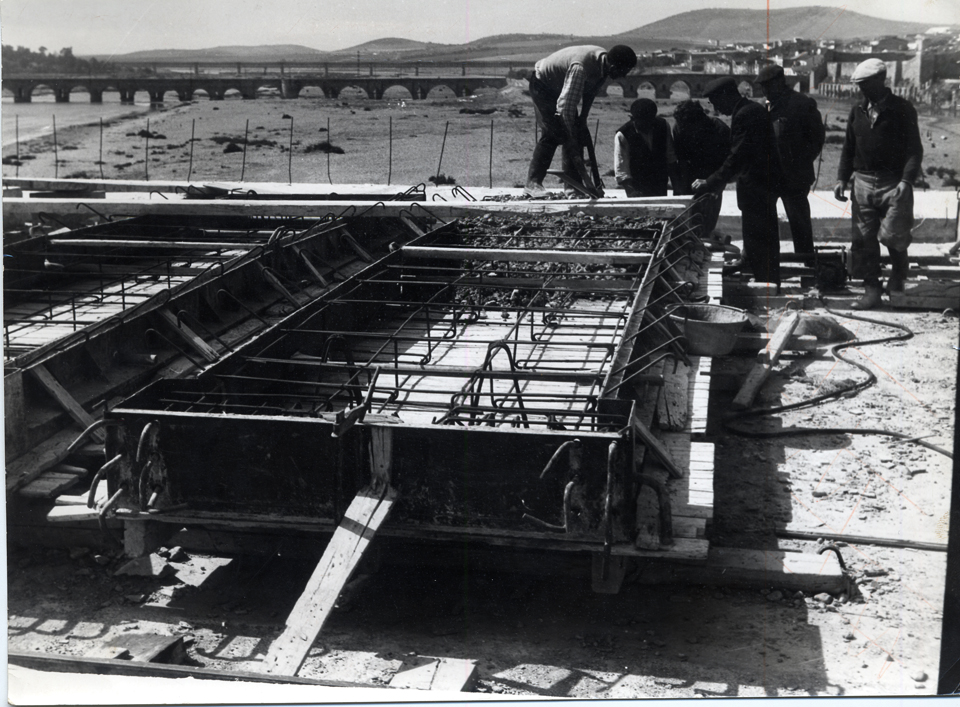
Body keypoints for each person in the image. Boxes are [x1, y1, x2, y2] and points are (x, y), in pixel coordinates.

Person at [834, 58, 923, 310]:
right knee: (863, 240)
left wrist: (906, 181)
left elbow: (914, 150)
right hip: (862, 184)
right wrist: (842, 178)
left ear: (881, 80)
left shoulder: (902, 109)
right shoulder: (857, 111)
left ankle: (897, 283)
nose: (862, 89)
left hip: (893, 183)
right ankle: (871, 290)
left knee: (895, 237)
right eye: (859, 85)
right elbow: (849, 148)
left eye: (866, 84)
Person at [693, 77, 783, 288]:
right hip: (759, 184)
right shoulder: (749, 110)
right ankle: (757, 269)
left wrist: (710, 182)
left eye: (716, 102)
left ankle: (766, 281)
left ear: (726, 96)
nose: (716, 108)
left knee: (761, 235)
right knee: (756, 234)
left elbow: (738, 156)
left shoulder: (746, 114)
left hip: (758, 185)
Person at [524, 45, 638, 198]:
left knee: (576, 133)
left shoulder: (603, 65)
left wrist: (582, 119)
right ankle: (532, 184)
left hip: (561, 87)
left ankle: (572, 187)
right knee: (554, 133)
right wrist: (569, 132)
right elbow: (565, 106)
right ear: (613, 66)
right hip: (543, 84)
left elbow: (590, 92)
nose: (623, 77)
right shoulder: (581, 67)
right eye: (622, 72)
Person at [756, 64, 825, 260]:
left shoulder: (802, 104)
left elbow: (817, 139)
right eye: (762, 87)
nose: (764, 91)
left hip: (795, 177)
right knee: (767, 226)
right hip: (768, 176)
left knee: (800, 224)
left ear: (779, 82)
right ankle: (770, 270)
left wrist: (798, 162)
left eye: (767, 86)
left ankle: (807, 269)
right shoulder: (763, 106)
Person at [672, 99, 732, 237]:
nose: (684, 130)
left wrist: (716, 185)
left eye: (688, 128)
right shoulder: (680, 127)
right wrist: (681, 188)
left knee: (707, 225)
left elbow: (728, 164)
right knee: (685, 225)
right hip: (689, 177)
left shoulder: (720, 130)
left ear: (699, 121)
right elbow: (680, 159)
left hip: (712, 179)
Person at [613, 98, 680, 197]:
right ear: (632, 118)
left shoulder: (663, 126)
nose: (647, 125)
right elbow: (622, 170)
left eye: (650, 121)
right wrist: (631, 192)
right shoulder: (623, 135)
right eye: (642, 122)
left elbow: (670, 158)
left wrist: (676, 188)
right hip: (638, 187)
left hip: (660, 184)